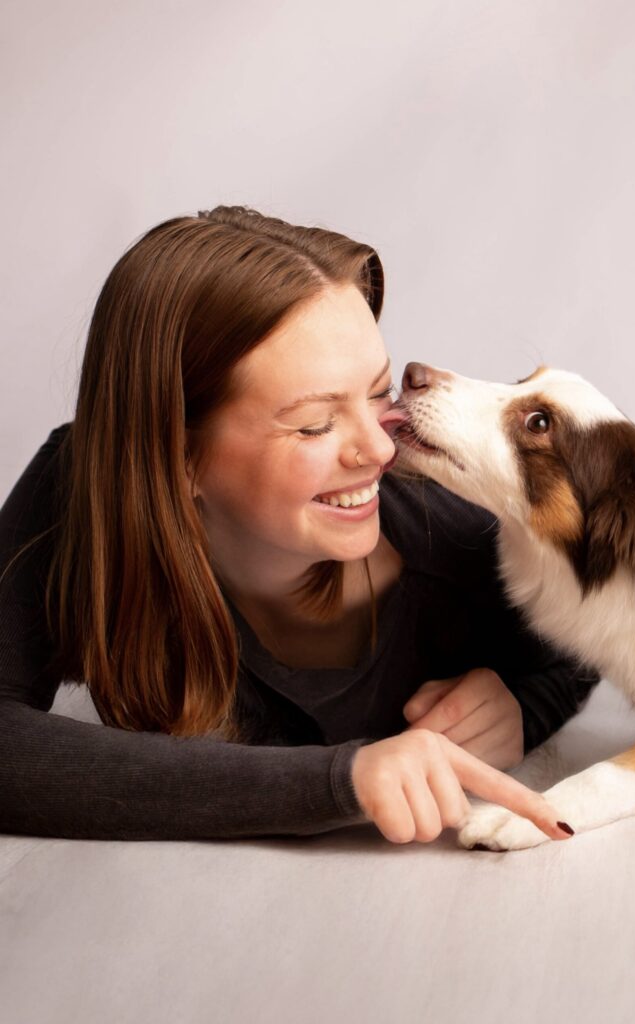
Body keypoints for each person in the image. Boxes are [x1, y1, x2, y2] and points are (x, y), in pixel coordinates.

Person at [0, 206, 597, 844]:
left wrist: (521, 709)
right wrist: (339, 782)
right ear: (175, 457)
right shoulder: (82, 491)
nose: (382, 450)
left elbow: (586, 644)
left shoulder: (459, 537)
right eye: (315, 424)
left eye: (377, 393)